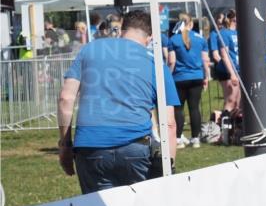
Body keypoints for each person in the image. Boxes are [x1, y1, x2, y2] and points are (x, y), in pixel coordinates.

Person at [57, 11, 179, 194]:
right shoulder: (155, 63)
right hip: (135, 147)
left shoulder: (90, 50)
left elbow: (65, 98)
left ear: (122, 28)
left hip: (90, 147)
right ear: (150, 37)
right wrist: (169, 167)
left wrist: (65, 145)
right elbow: (169, 124)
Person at [168, 14, 210, 148]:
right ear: (191, 24)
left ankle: (178, 138)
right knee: (194, 108)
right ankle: (195, 139)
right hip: (197, 77)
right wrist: (207, 76)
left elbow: (172, 61)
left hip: (179, 78)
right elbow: (205, 60)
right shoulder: (201, 39)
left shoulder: (173, 39)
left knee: (178, 109)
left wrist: (168, 76)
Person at [210, 10, 241, 115]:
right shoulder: (224, 33)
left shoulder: (237, 32)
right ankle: (225, 121)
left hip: (238, 69)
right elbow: (224, 55)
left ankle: (234, 123)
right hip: (228, 71)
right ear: (234, 19)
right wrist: (232, 73)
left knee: (238, 102)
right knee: (231, 99)